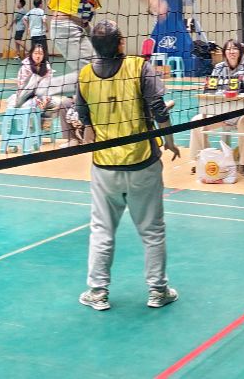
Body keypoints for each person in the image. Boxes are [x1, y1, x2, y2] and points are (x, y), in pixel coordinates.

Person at [75, 19, 180, 311]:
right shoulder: (139, 67)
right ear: (121, 43)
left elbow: (85, 123)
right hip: (142, 163)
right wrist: (170, 141)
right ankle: (158, 291)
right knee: (152, 231)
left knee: (101, 231)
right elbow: (158, 109)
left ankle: (97, 292)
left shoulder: (85, 75)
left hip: (104, 168)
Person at [190, 39, 244, 178]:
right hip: (222, 113)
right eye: (228, 49)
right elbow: (210, 91)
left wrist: (235, 95)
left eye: (235, 49)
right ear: (224, 52)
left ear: (240, 52)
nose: (231, 52)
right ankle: (200, 159)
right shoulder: (218, 68)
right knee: (196, 122)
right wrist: (216, 92)